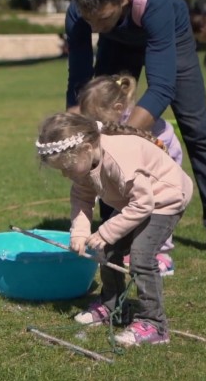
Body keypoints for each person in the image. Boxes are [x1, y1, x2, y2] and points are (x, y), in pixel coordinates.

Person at [65, 0, 206, 252]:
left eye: (101, 19)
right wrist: (75, 135)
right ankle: (115, 230)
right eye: (88, 20)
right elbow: (79, 83)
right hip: (118, 42)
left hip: (171, 34)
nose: (93, 28)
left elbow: (161, 87)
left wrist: (117, 138)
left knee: (196, 131)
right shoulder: (80, 13)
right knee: (97, 125)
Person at [37, 112, 192, 346]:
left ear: (87, 148)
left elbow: (144, 204)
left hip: (165, 199)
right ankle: (114, 307)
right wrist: (79, 233)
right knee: (108, 249)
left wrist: (106, 232)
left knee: (141, 256)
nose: (65, 173)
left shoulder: (119, 161)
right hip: (139, 202)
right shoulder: (86, 160)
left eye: (67, 166)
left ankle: (154, 324)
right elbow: (81, 198)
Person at [78, 73, 182, 275]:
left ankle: (162, 254)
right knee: (133, 206)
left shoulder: (138, 124)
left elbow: (161, 149)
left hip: (162, 170)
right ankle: (134, 246)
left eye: (95, 119)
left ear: (117, 109)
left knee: (159, 209)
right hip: (136, 170)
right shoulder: (111, 123)